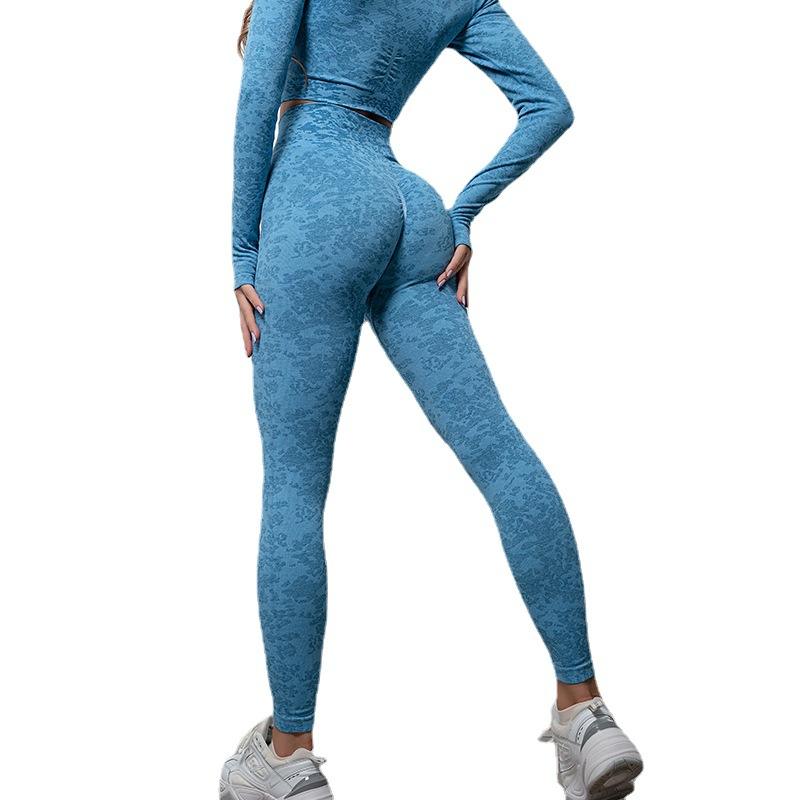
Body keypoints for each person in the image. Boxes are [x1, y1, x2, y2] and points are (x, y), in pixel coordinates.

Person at [220, 1, 644, 799]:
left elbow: (259, 92)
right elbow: (549, 107)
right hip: (411, 209)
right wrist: (464, 210)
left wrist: (242, 247)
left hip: (314, 201)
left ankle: (288, 753)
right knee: (500, 452)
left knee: (294, 486)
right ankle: (585, 710)